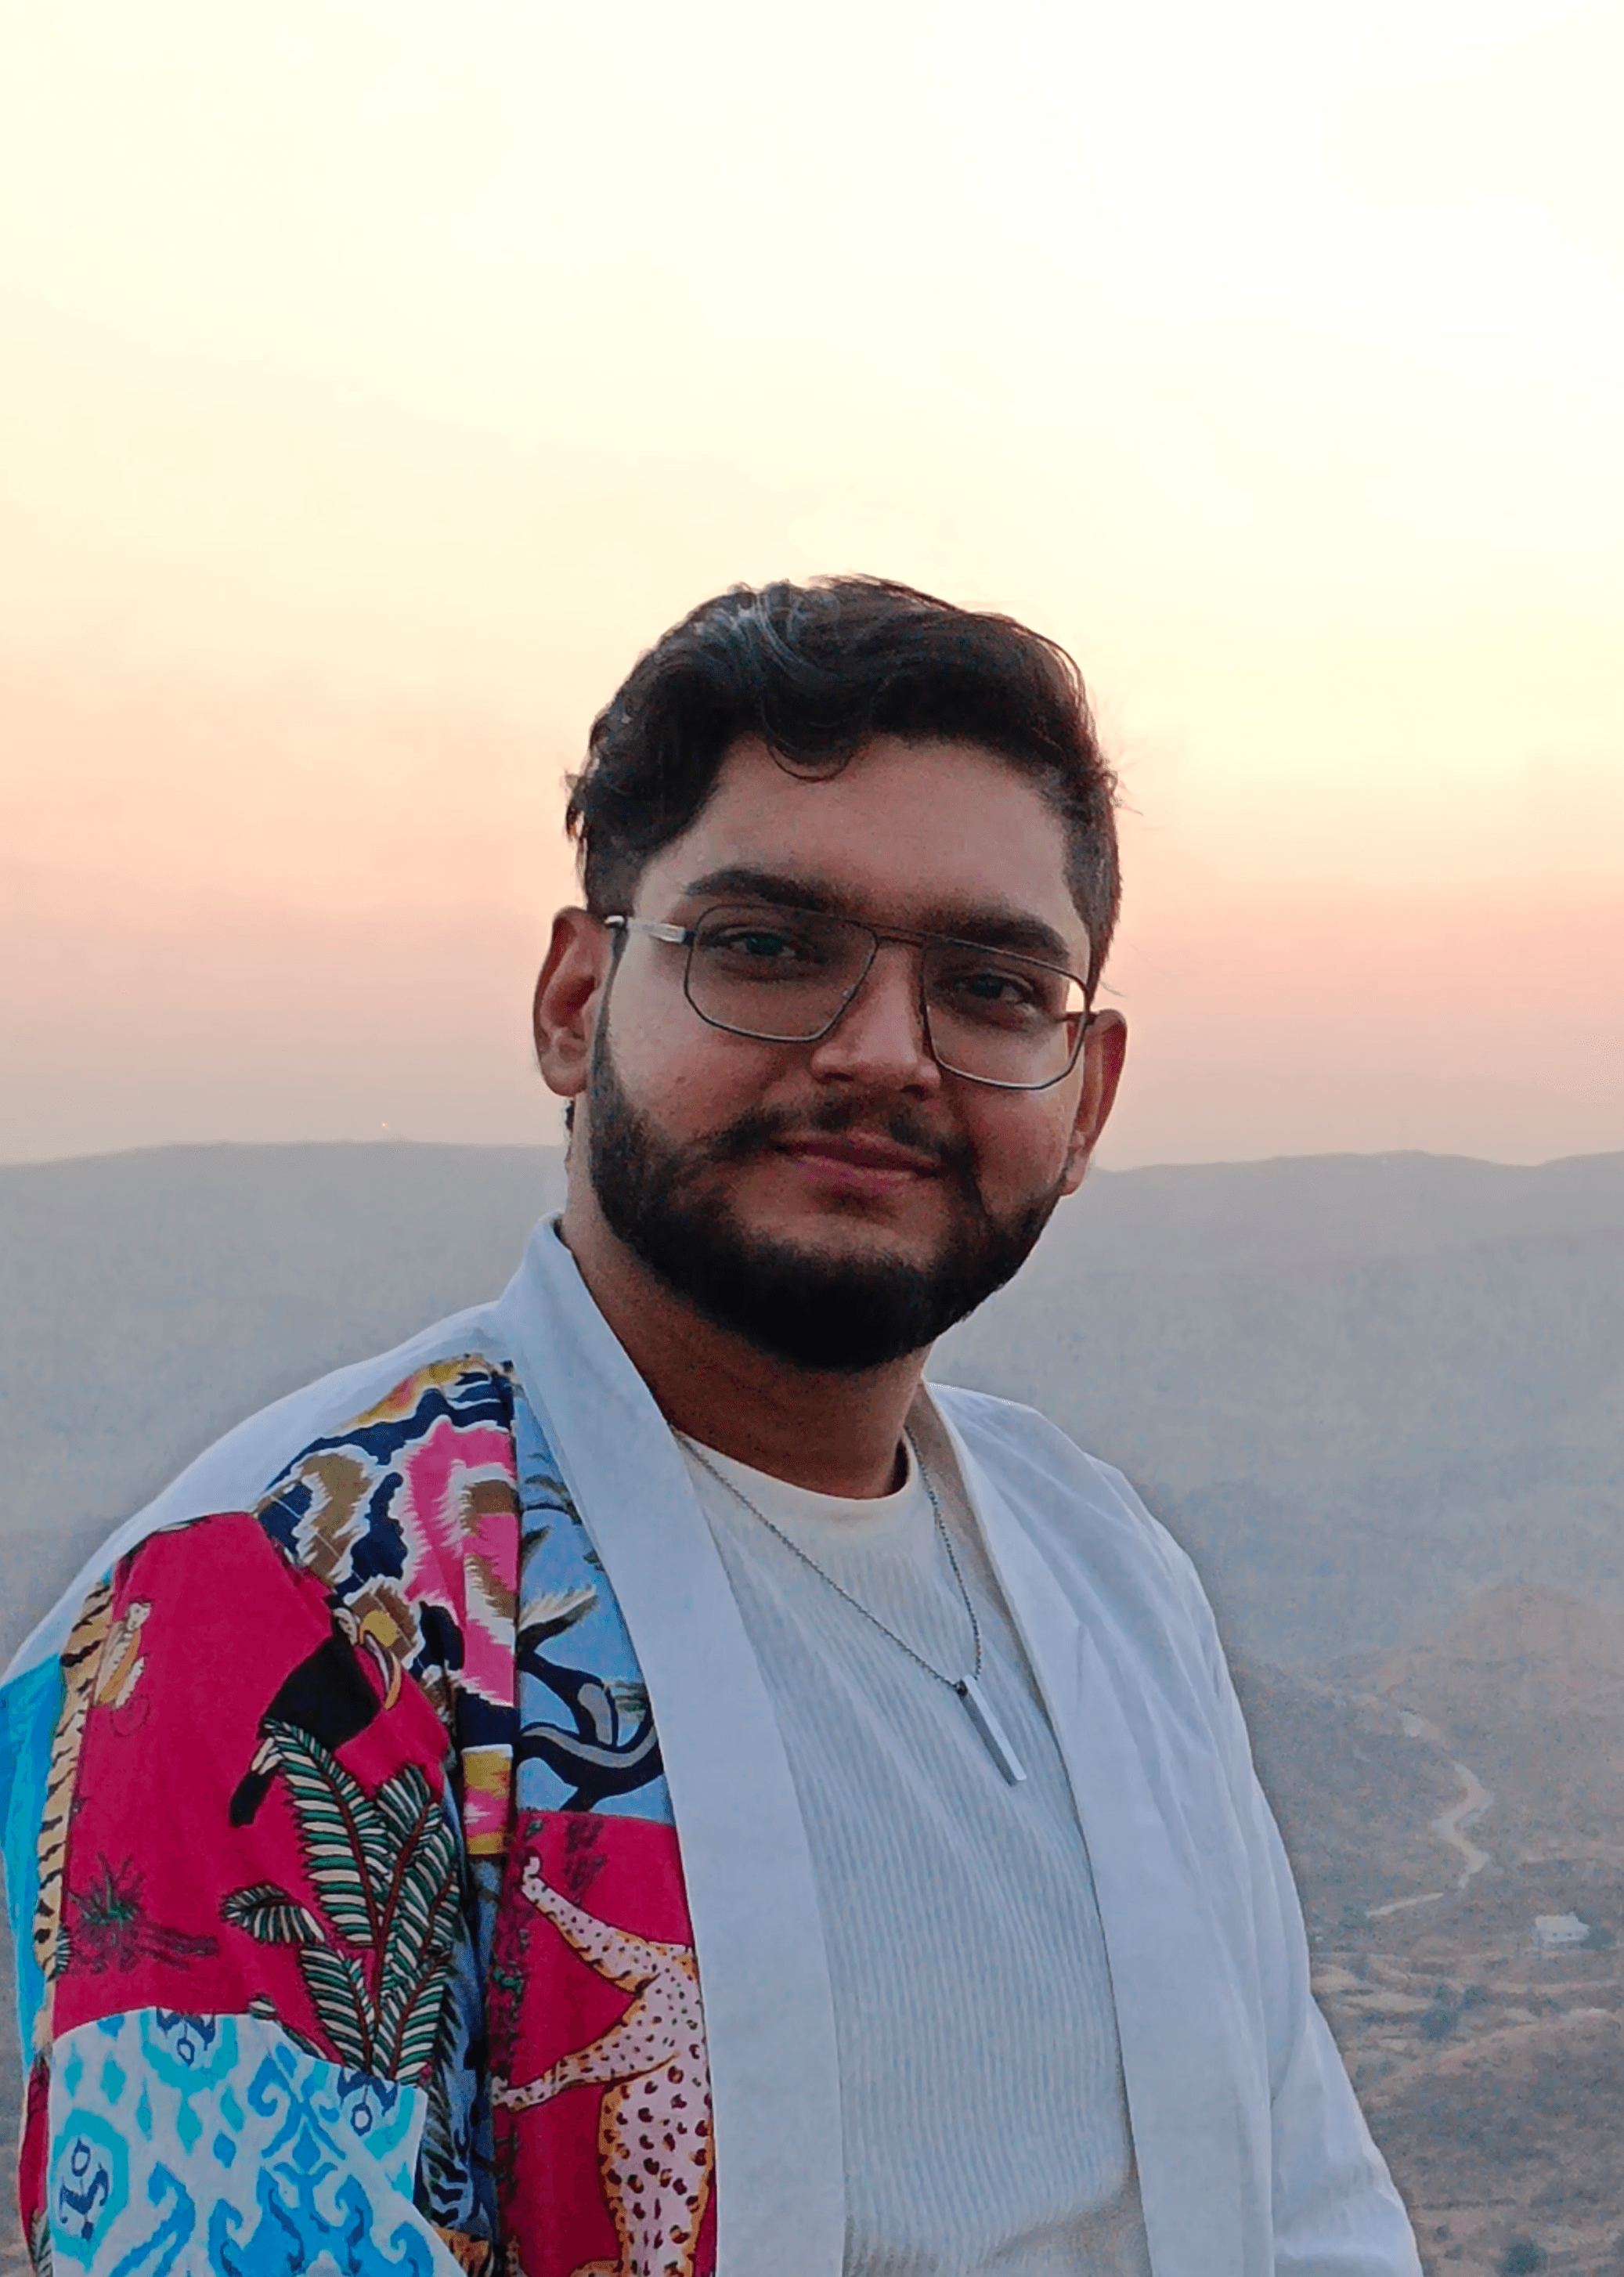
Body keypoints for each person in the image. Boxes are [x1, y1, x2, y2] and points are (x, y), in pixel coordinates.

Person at [0, 577, 1420, 2277]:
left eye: (988, 984)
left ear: (1086, 1089)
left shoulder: (1105, 1569)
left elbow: (1308, 2211)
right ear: (569, 999)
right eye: (767, 947)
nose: (885, 1050)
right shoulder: (287, 1611)